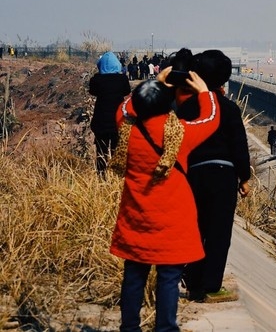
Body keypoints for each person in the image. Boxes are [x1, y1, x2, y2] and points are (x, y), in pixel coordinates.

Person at [108, 50, 220, 332]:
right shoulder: (178, 135)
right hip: (171, 222)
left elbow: (123, 110)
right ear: (166, 103)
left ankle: (129, 327)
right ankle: (165, 327)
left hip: (136, 219)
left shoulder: (128, 133)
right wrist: (205, 92)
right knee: (169, 278)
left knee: (134, 275)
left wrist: (155, 82)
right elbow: (210, 119)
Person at [180, 50, 251, 304]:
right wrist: (244, 177)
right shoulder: (229, 109)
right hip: (223, 176)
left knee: (195, 228)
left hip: (193, 175)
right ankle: (211, 286)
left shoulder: (186, 107)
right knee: (219, 232)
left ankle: (192, 282)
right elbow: (239, 145)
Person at [88, 51, 131, 175]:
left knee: (101, 151)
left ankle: (101, 176)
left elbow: (92, 91)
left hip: (101, 121)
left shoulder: (96, 80)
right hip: (118, 120)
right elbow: (126, 91)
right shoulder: (122, 79)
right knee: (116, 150)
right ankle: (116, 176)